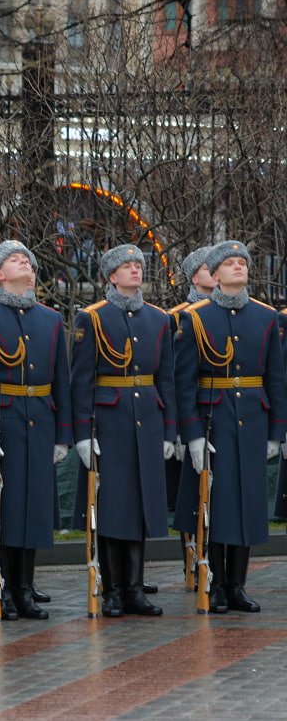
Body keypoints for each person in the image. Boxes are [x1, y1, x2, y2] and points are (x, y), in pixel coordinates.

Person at [0, 240, 71, 620]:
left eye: (26, 257)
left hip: (40, 419)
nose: (23, 260)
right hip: (2, 422)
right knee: (5, 509)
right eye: (13, 258)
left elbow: (61, 382)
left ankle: (26, 588)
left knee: (35, 508)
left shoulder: (50, 319)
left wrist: (62, 435)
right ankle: (5, 589)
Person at [174, 240, 287, 613]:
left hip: (253, 419)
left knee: (249, 503)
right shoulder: (196, 317)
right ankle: (218, 584)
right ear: (215, 273)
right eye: (230, 263)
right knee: (218, 504)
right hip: (214, 420)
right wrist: (190, 433)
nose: (239, 267)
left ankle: (237, 585)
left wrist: (276, 431)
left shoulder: (266, 316)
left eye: (243, 262)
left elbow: (276, 378)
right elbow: (184, 381)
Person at [69, 245, 176, 617]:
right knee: (112, 507)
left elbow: (167, 378)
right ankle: (111, 589)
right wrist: (82, 433)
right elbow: (80, 380)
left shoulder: (159, 319)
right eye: (126, 266)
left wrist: (169, 432)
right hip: (109, 422)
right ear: (110, 277)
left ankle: (134, 589)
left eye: (138, 265)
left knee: (142, 505)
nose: (135, 270)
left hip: (147, 418)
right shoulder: (92, 318)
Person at [168, 246, 213, 582]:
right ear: (194, 276)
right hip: (192, 415)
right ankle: (192, 560)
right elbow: (172, 375)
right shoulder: (177, 317)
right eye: (208, 267)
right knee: (191, 494)